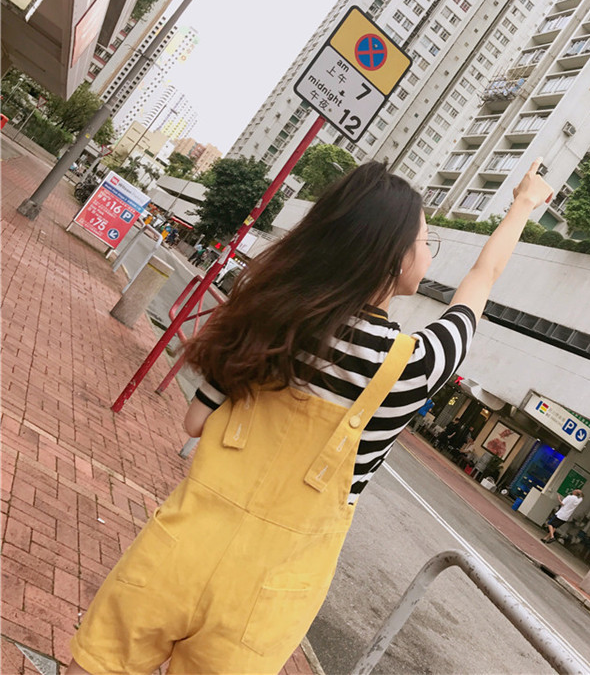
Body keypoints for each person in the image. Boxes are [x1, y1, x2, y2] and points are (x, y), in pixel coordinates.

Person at [68, 158, 552, 675]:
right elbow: (481, 279)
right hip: (269, 597)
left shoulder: (271, 316)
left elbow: (194, 422)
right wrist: (523, 204)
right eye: (426, 241)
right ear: (393, 258)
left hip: (179, 550)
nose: (429, 254)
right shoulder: (414, 365)